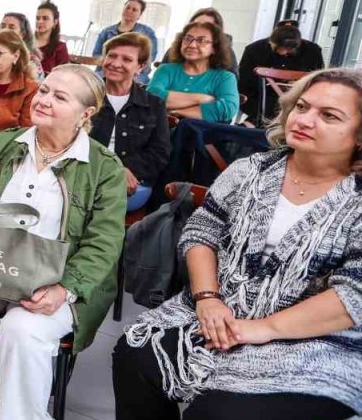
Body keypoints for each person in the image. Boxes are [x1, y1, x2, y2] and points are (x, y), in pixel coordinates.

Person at [113, 68, 362, 420]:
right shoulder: (251, 170)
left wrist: (260, 329)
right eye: (302, 107)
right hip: (222, 307)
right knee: (136, 352)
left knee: (219, 413)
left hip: (317, 340)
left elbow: (353, 296)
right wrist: (207, 299)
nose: (305, 119)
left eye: (329, 116)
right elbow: (202, 231)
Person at [0, 64, 126, 420]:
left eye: (59, 97)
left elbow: (105, 242)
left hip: (54, 278)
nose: (43, 100)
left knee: (23, 330)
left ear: (86, 114)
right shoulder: (5, 143)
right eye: (44, 90)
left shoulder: (103, 168)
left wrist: (66, 288)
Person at [90, 32, 171, 212]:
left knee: (106, 198)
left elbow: (160, 152)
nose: (116, 63)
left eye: (127, 59)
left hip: (133, 182)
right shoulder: (86, 96)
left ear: (140, 67)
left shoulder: (153, 104)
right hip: (85, 174)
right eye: (111, 56)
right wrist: (114, 169)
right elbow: (69, 140)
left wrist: (124, 170)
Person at [148, 21, 239, 123]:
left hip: (202, 136)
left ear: (214, 48)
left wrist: (176, 112)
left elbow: (227, 109)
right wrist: (201, 99)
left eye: (201, 40)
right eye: (188, 39)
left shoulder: (225, 77)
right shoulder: (166, 69)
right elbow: (152, 97)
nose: (192, 45)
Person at [238, 20, 325, 125]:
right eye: (279, 48)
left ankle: (251, 125)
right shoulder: (254, 50)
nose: (284, 52)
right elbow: (244, 82)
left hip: (298, 98)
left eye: (289, 49)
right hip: (260, 96)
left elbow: (319, 79)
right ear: (271, 41)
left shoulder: (312, 51)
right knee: (270, 105)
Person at [92, 0, 158, 84]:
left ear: (139, 15)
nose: (130, 11)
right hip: (106, 71)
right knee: (90, 82)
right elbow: (96, 54)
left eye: (134, 10)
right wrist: (111, 64)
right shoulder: (106, 31)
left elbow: (149, 57)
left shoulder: (148, 33)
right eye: (127, 8)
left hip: (137, 75)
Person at [188, 8, 239, 76]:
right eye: (195, 24)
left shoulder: (226, 54)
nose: (199, 28)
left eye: (207, 26)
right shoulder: (175, 50)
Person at [35, 2, 70, 75]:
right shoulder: (26, 43)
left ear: (55, 22)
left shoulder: (60, 47)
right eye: (37, 18)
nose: (40, 21)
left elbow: (63, 74)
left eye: (45, 18)